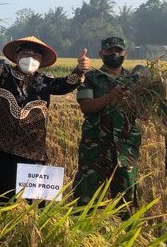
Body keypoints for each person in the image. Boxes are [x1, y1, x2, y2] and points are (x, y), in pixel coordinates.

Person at [0, 35, 90, 202]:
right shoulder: (4, 74)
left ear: (41, 60)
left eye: (36, 56)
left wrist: (80, 69)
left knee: (32, 203)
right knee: (2, 197)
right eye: (25, 54)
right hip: (2, 148)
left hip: (32, 151)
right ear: (16, 56)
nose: (30, 59)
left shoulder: (45, 81)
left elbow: (66, 84)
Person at [72, 37, 144, 218]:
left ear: (125, 54)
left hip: (125, 149)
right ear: (101, 54)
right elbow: (86, 106)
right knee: (87, 200)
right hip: (95, 148)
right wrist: (109, 97)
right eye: (110, 51)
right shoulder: (90, 78)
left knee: (126, 202)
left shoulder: (134, 81)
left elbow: (143, 115)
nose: (114, 54)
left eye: (118, 51)